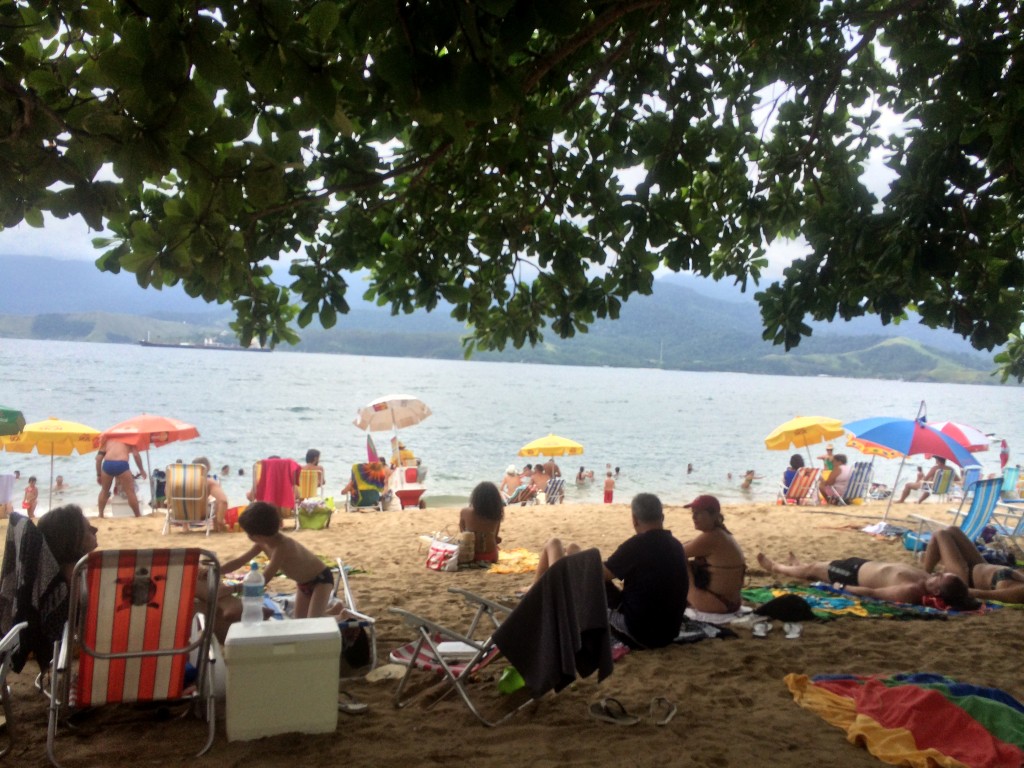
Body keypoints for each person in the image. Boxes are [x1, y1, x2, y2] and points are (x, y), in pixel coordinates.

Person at [526, 493, 688, 649]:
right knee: (573, 550)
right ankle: (537, 589)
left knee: (554, 544)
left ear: (634, 520)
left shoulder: (637, 545)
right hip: (668, 632)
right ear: (662, 517)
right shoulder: (676, 545)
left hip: (640, 634)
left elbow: (596, 576)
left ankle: (540, 595)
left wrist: (576, 566)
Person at [221, 501, 335, 619]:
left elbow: (264, 579)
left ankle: (339, 615)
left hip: (320, 580)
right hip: (303, 584)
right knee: (299, 621)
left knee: (313, 622)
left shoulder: (282, 546)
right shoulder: (262, 543)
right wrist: (218, 570)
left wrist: (233, 588)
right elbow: (240, 561)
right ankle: (335, 611)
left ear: (256, 536)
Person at [756, 552, 977, 610]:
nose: (936, 574)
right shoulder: (928, 582)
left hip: (852, 575)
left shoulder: (911, 590)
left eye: (939, 577)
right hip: (862, 565)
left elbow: (873, 594)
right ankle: (798, 566)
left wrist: (840, 587)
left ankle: (777, 567)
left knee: (815, 569)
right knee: (816, 567)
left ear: (937, 592)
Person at [922, 526, 1024, 603]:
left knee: (939, 534)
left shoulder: (1014, 589)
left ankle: (923, 576)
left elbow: (1011, 595)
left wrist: (973, 592)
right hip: (982, 568)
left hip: (964, 580)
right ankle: (924, 576)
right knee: (953, 530)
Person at [682, 495, 746, 614]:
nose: (693, 517)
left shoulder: (712, 538)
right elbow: (687, 546)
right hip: (731, 601)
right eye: (693, 512)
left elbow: (675, 552)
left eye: (698, 513)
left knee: (679, 562)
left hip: (718, 602)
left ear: (714, 515)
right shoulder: (721, 533)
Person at [37, 504, 99, 584]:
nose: (96, 530)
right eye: (89, 528)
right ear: (73, 539)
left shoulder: (45, 580)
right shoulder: (83, 580)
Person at [97, 437, 147, 517]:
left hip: (107, 464)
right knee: (130, 492)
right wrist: (141, 470)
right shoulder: (129, 439)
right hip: (121, 464)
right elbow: (136, 455)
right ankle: (137, 515)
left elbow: (98, 459)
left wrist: (99, 474)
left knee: (104, 491)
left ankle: (100, 515)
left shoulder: (108, 440)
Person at [458, 481, 504, 563]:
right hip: (491, 556)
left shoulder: (465, 512)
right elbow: (495, 537)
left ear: (475, 497)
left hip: (470, 555)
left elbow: (463, 532)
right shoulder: (496, 514)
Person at [193, 456, 229, 532]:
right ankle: (217, 527)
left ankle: (185, 527)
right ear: (208, 467)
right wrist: (221, 521)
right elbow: (223, 501)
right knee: (216, 502)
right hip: (200, 514)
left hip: (178, 515)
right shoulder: (209, 482)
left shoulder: (177, 481)